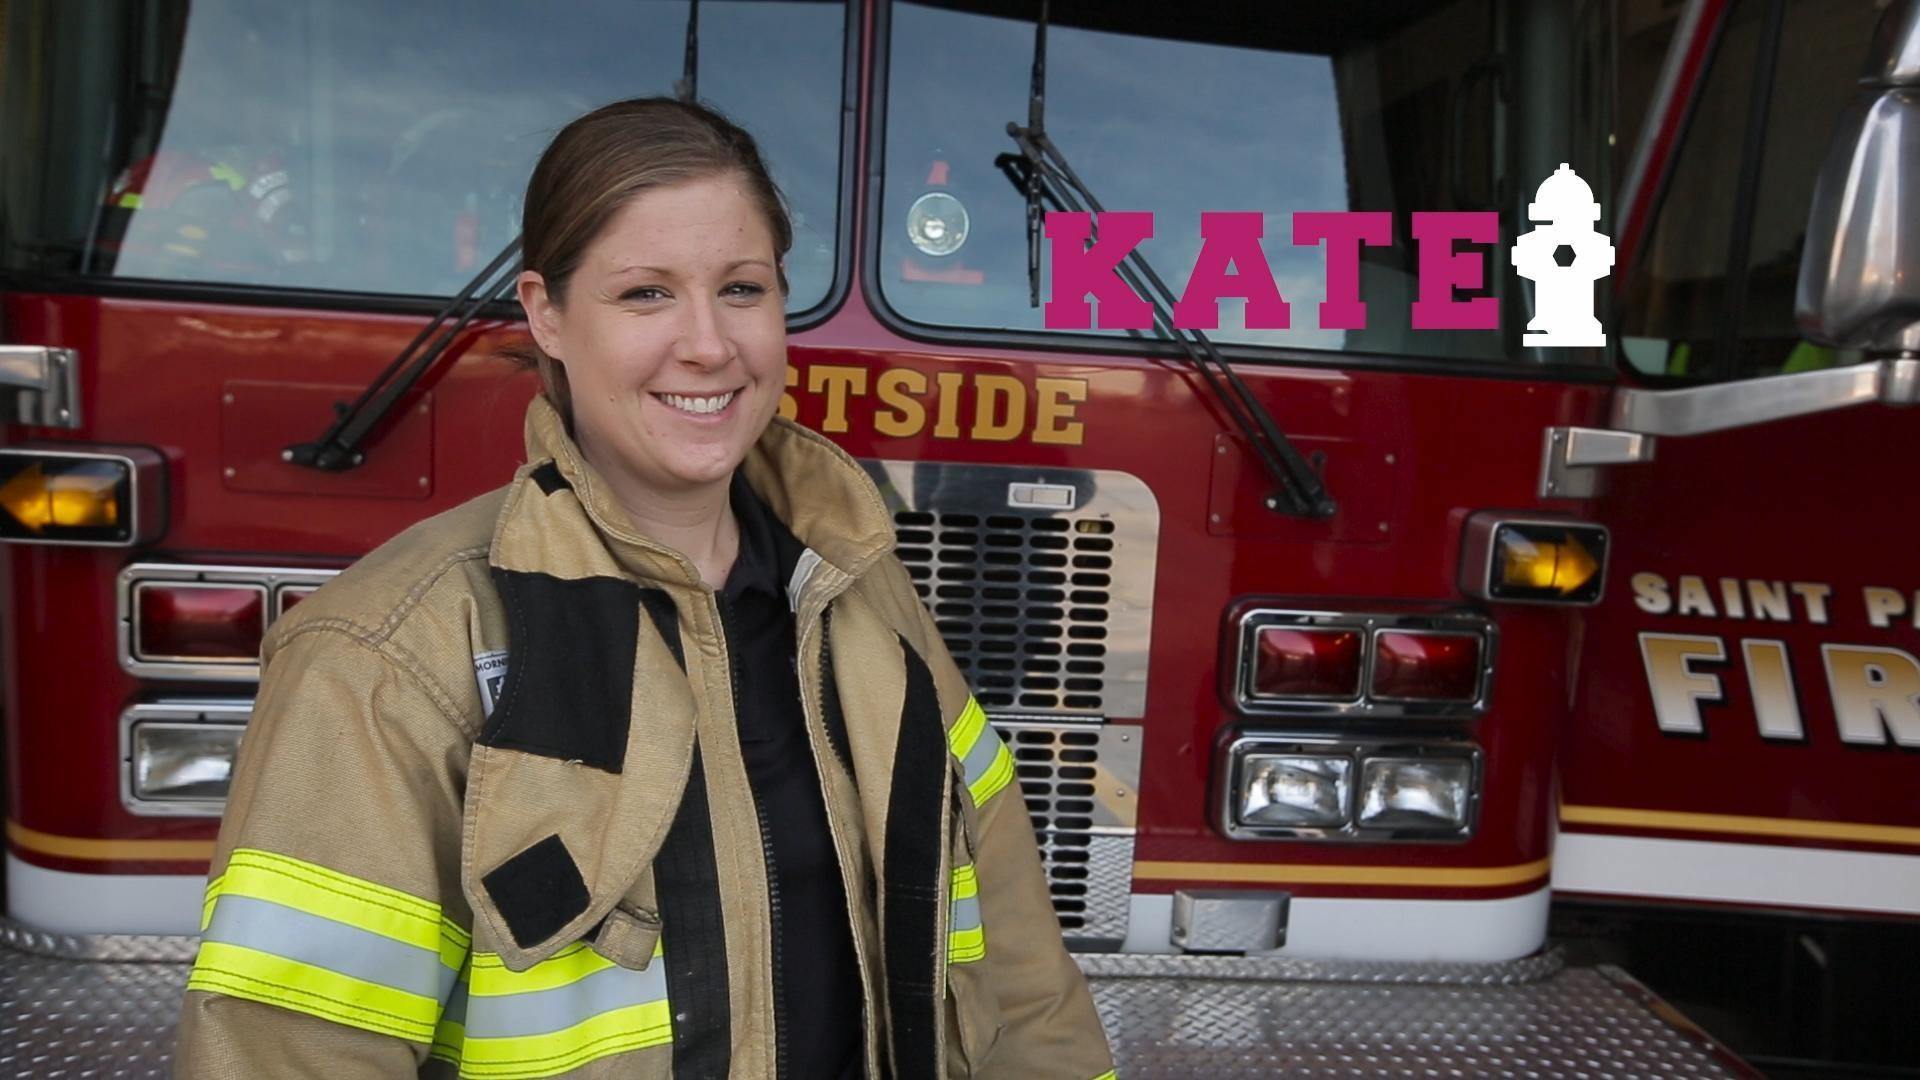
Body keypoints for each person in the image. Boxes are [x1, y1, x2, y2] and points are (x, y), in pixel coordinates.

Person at [172, 97, 1117, 1080]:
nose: (709, 344)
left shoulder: (862, 593)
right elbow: (287, 1050)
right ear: (546, 312)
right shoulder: (388, 657)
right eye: (646, 295)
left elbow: (1018, 972)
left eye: (742, 289)